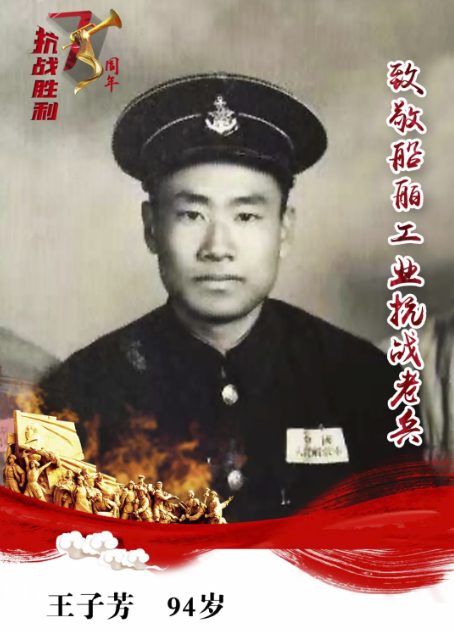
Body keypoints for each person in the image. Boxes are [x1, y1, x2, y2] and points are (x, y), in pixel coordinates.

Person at [37, 73, 425, 522]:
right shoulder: (76, 395)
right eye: (191, 214)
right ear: (151, 228)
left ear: (284, 229)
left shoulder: (367, 385)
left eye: (246, 216)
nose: (217, 247)